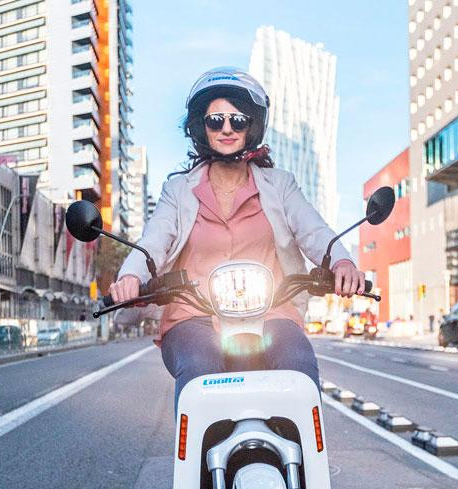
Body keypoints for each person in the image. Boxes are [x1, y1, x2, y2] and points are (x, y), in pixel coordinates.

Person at [111, 67, 364, 399]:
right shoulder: (178, 190)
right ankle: (193, 453)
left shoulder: (280, 185)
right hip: (193, 316)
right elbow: (153, 242)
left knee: (298, 363)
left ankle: (306, 453)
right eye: (216, 121)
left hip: (271, 313)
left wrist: (342, 264)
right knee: (200, 368)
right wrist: (131, 276)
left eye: (238, 120)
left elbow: (314, 230)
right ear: (202, 127)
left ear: (252, 126)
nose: (227, 128)